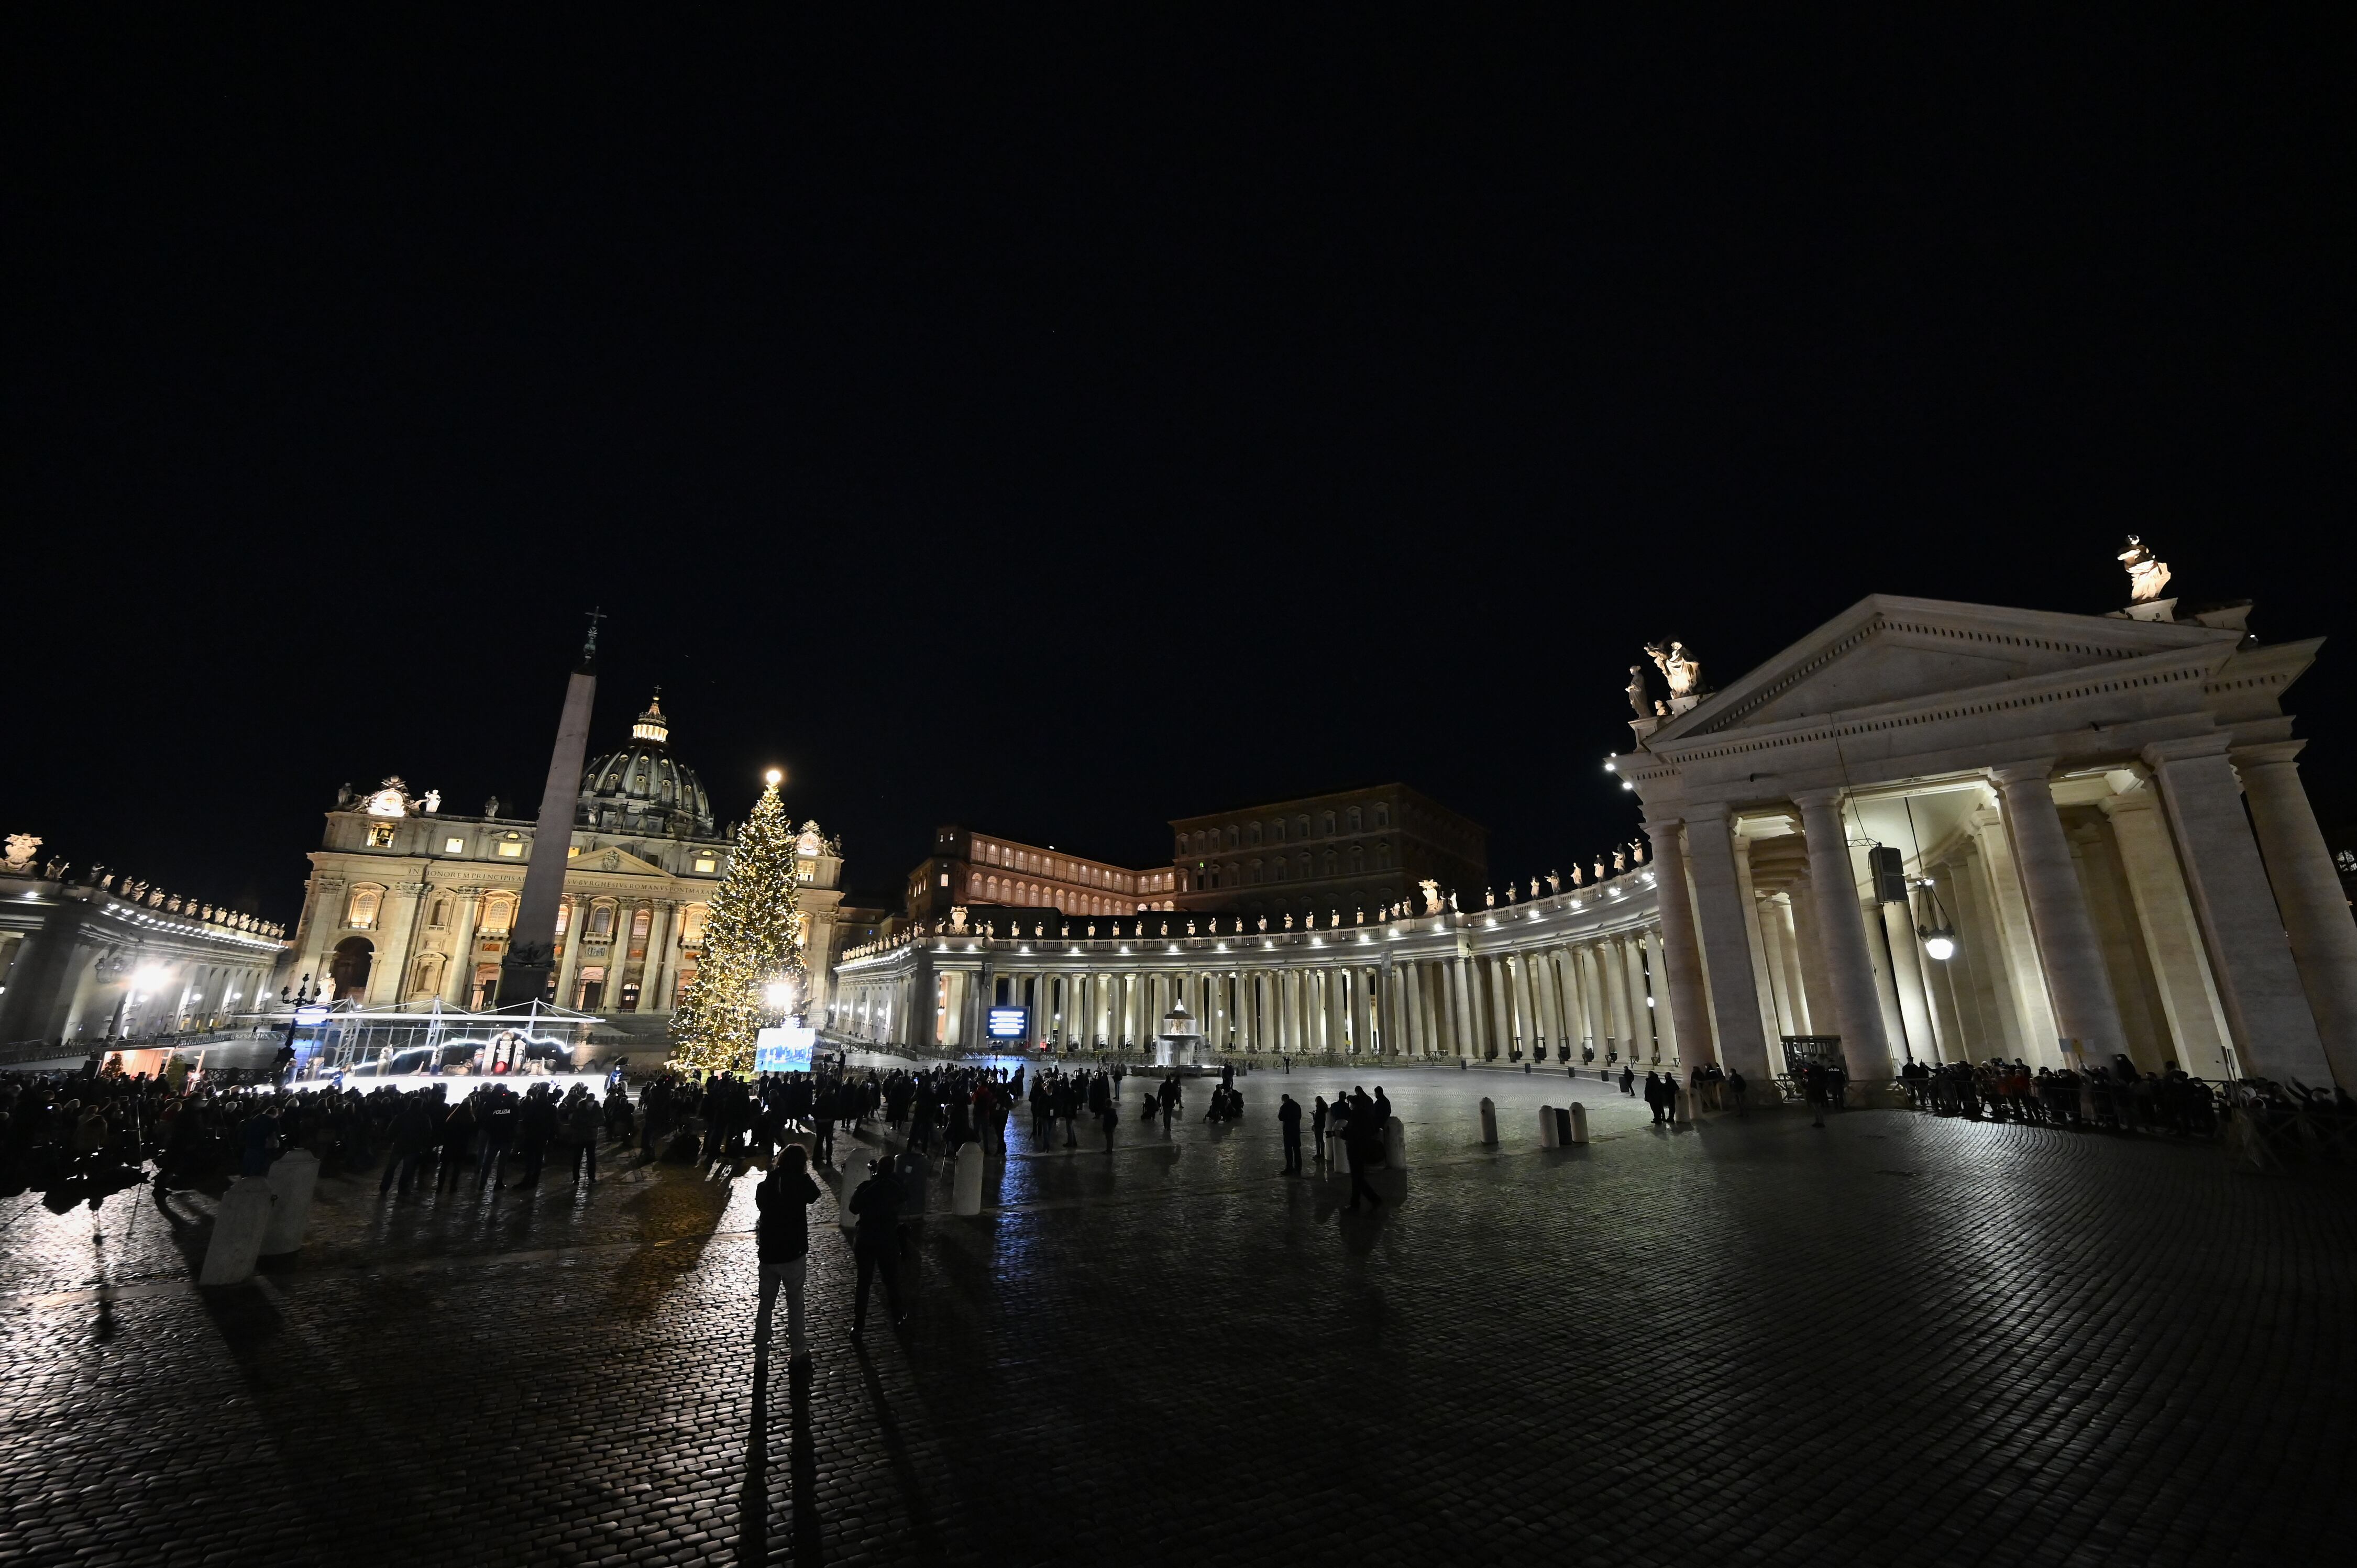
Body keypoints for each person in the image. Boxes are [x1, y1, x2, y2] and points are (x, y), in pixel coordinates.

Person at [755, 1145, 821, 1362]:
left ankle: (762, 1350)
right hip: (793, 1251)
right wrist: (804, 1174)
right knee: (795, 1303)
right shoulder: (800, 1182)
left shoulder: (769, 1183)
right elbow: (815, 1195)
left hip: (769, 1252)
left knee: (766, 1304)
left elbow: (761, 1205)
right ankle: (798, 1350)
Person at [847, 1155, 907, 1335]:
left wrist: (873, 1178)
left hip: (866, 1238)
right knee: (891, 1280)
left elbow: (854, 1208)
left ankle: (859, 1324)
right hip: (887, 1239)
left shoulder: (867, 1188)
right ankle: (898, 1316)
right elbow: (904, 1195)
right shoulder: (895, 1187)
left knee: (864, 1282)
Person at [1343, 1102, 1382, 1211]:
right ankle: (1358, 1202)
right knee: (1358, 1178)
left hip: (1354, 1152)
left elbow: (1349, 1135)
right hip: (1363, 1151)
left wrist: (1341, 1134)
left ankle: (1372, 1199)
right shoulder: (1366, 1118)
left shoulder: (1354, 1120)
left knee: (1357, 1179)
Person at [1278, 1092, 1303, 1174]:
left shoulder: (1284, 1107)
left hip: (1288, 1131)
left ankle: (1289, 1168)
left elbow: (1281, 1118)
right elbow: (1300, 1116)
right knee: (1297, 1149)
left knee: (1288, 1151)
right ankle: (1298, 1167)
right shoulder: (1297, 1105)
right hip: (1296, 1130)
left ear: (1283, 1099)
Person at [1311, 1095, 1329, 1163]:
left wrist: (1313, 1114)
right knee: (1321, 1140)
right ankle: (1322, 1154)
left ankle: (1318, 1154)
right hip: (1322, 1126)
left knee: (1317, 1140)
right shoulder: (1324, 1108)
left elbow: (1316, 1118)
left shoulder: (1319, 1108)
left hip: (1318, 1126)